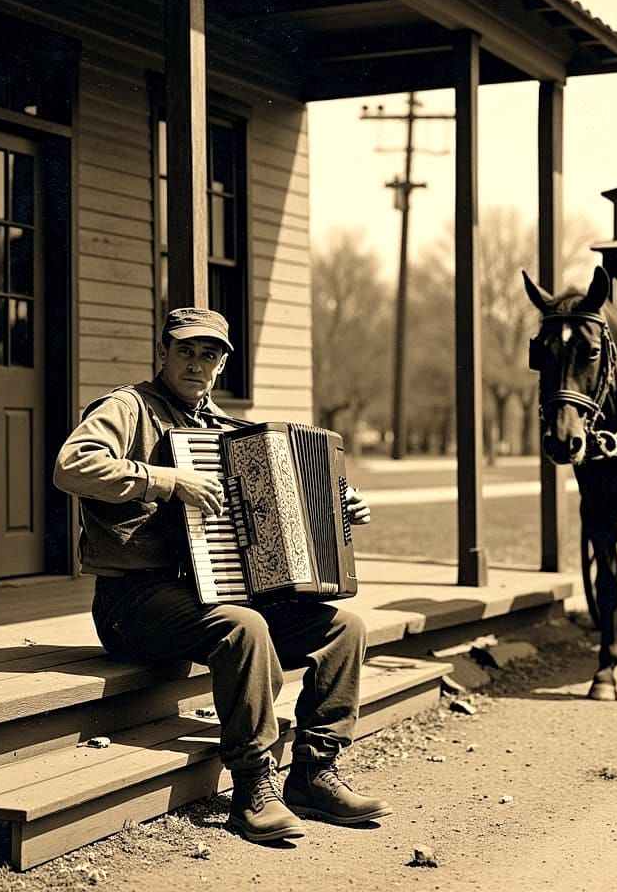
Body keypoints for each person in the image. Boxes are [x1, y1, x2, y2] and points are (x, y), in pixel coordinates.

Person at [54, 306, 390, 844]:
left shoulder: (226, 431)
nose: (195, 363)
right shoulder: (127, 407)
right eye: (184, 350)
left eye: (208, 354)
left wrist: (334, 508)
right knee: (244, 627)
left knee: (342, 629)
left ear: (221, 365)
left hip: (203, 595)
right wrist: (164, 479)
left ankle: (313, 773)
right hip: (131, 602)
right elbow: (71, 466)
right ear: (162, 353)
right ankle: (253, 785)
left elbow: (281, 512)